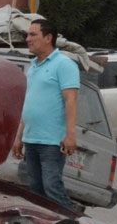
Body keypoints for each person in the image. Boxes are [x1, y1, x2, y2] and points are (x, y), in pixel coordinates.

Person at [11, 18, 79, 209]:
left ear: (48, 38)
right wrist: (19, 137)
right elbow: (29, 103)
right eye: (28, 35)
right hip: (32, 138)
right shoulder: (33, 66)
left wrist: (70, 135)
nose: (28, 39)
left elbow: (71, 100)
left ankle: (74, 222)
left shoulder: (64, 64)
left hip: (51, 141)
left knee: (52, 187)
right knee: (36, 191)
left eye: (33, 35)